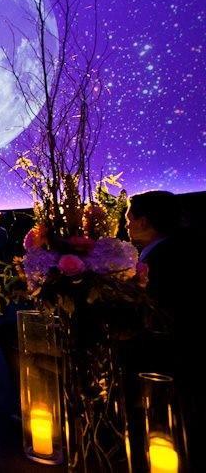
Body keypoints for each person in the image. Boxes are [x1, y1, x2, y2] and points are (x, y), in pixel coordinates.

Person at [126, 190, 202, 470]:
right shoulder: (186, 247)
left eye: (129, 219)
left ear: (144, 221)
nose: (127, 226)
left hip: (168, 354)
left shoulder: (163, 259)